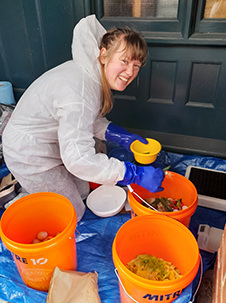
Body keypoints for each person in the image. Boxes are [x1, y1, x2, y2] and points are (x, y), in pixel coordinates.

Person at [2, 15, 164, 221]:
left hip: (51, 145)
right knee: (72, 213)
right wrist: (132, 174)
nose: (130, 72)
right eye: (124, 61)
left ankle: (37, 192)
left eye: (136, 65)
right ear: (104, 55)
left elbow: (86, 120)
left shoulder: (89, 73)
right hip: (28, 154)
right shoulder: (79, 89)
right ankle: (21, 201)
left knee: (83, 192)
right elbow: (78, 159)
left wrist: (123, 137)